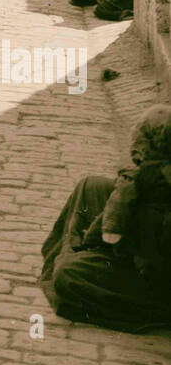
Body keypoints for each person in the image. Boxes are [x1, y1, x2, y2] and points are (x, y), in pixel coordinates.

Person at [40, 106, 171, 332]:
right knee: (90, 186)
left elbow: (147, 244)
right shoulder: (152, 173)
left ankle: (80, 257)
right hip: (138, 237)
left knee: (67, 274)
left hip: (153, 274)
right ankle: (79, 254)